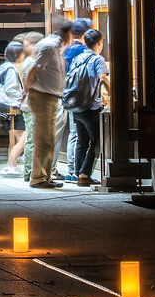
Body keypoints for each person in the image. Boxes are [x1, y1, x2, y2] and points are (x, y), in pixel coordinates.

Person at [22, 21, 70, 188]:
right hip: (43, 97)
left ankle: (45, 176)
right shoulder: (50, 47)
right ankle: (38, 178)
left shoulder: (55, 48)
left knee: (49, 139)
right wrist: (27, 90)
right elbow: (34, 70)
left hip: (51, 97)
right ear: (66, 33)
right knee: (44, 139)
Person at [67, 28, 109, 186]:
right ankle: (84, 174)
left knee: (81, 141)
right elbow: (103, 79)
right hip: (91, 107)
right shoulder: (98, 59)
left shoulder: (78, 58)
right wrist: (113, 97)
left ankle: (79, 174)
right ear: (100, 43)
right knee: (96, 141)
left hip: (76, 106)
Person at [0, 36, 36, 176]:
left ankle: (12, 164)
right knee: (23, 138)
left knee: (14, 138)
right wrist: (22, 97)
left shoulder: (3, 67)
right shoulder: (11, 69)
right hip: (12, 107)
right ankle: (10, 165)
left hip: (3, 107)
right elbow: (11, 89)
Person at [58, 19, 92, 175]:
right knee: (79, 134)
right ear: (85, 34)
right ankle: (74, 169)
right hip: (81, 97)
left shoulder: (66, 50)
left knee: (73, 133)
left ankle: (71, 169)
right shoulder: (84, 51)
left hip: (67, 95)